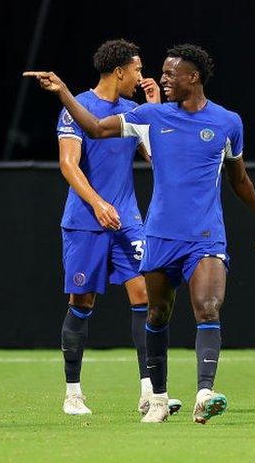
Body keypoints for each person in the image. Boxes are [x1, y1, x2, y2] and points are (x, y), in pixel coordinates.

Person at [27, 44, 255, 425]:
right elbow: (83, 142)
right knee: (113, 306)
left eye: (167, 73)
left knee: (184, 304)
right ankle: (93, 392)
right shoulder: (124, 112)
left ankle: (183, 393)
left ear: (193, 77)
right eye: (144, 69)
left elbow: (210, 170)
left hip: (168, 228)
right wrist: (62, 91)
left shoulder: (208, 120)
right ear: (119, 71)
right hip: (114, 225)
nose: (154, 77)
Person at [53, 39, 178, 416]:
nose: (142, 76)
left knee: (145, 297)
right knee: (82, 301)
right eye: (138, 69)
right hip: (85, 222)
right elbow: (68, 164)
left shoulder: (134, 111)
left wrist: (157, 112)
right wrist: (98, 203)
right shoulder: (78, 107)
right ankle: (73, 394)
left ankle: (148, 392)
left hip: (128, 222)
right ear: (120, 70)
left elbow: (160, 159)